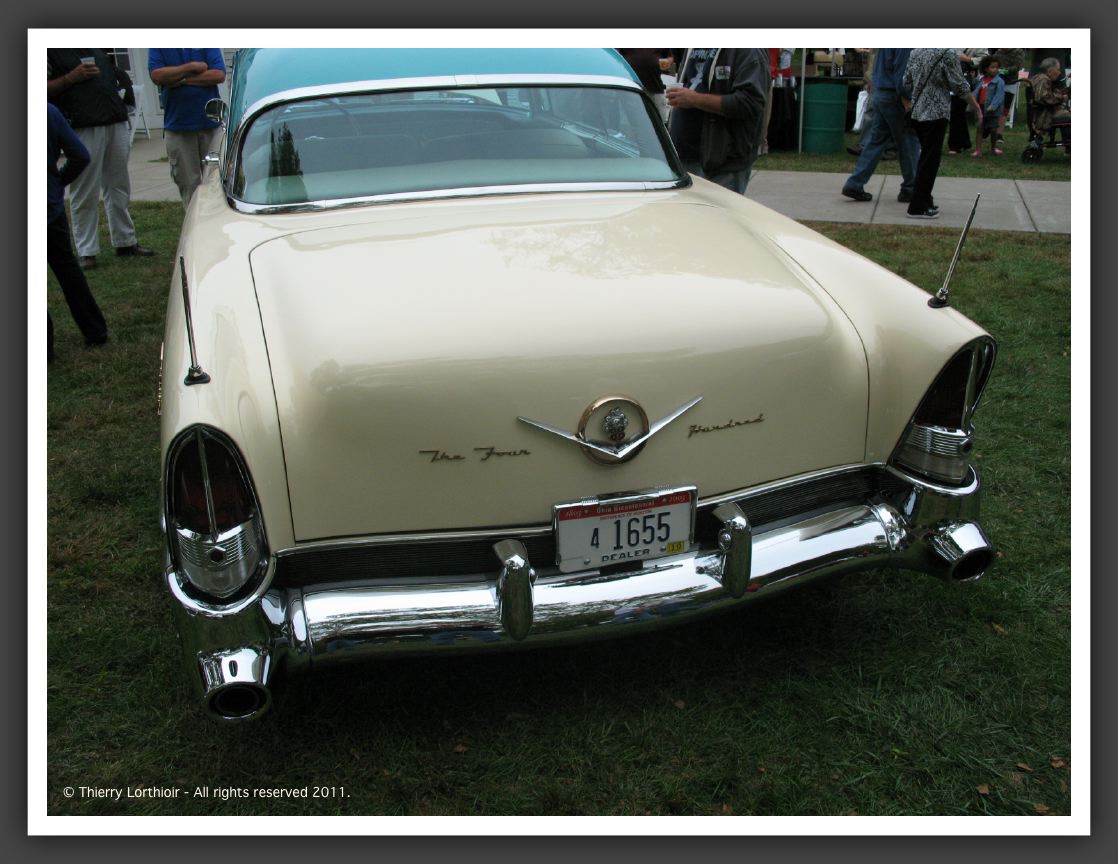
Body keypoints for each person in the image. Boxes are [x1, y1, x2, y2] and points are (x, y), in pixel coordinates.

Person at [47, 49, 154, 270]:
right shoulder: (51, 50)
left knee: (119, 186)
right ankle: (87, 251)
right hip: (82, 124)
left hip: (114, 118)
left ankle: (126, 241)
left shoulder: (96, 46)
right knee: (85, 190)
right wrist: (71, 78)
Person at [47, 103, 108, 360]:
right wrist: (57, 183)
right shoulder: (48, 112)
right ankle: (95, 330)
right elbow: (79, 155)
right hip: (48, 206)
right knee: (68, 269)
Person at [666, 48, 769, 194]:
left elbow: (750, 102)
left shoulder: (748, 50)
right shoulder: (693, 46)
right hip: (685, 158)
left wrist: (694, 99)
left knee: (719, 216)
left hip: (723, 161)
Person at [902, 48, 981, 219]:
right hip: (936, 113)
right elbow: (959, 85)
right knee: (930, 161)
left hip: (917, 113)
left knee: (925, 159)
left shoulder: (915, 52)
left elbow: (906, 82)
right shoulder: (947, 53)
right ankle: (917, 206)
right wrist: (975, 106)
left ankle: (925, 199)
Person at [148, 49, 227, 207]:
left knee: (217, 182)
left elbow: (219, 74)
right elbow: (157, 75)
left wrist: (180, 79)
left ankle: (216, 226)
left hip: (210, 125)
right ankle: (194, 228)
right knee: (189, 185)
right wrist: (191, 67)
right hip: (178, 126)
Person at [840, 48, 919, 204]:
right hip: (894, 96)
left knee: (876, 141)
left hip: (881, 92)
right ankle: (910, 187)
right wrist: (906, 97)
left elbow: (877, 63)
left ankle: (855, 183)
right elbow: (901, 72)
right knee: (909, 141)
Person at [1030, 57, 1071, 149]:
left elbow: (1046, 94)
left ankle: (1069, 147)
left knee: (1067, 115)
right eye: (1058, 69)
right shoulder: (1044, 80)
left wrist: (1059, 94)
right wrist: (1061, 98)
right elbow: (1043, 97)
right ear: (1049, 71)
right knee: (1069, 117)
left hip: (1041, 112)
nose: (1060, 72)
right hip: (1044, 115)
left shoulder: (1038, 77)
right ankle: (1069, 146)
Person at [970, 55, 1005, 157]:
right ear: (985, 69)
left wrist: (993, 106)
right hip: (981, 108)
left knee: (993, 129)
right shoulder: (982, 80)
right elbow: (975, 90)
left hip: (993, 110)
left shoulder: (999, 82)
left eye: (997, 67)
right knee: (979, 128)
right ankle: (978, 150)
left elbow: (999, 95)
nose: (995, 69)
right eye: (992, 67)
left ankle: (993, 148)